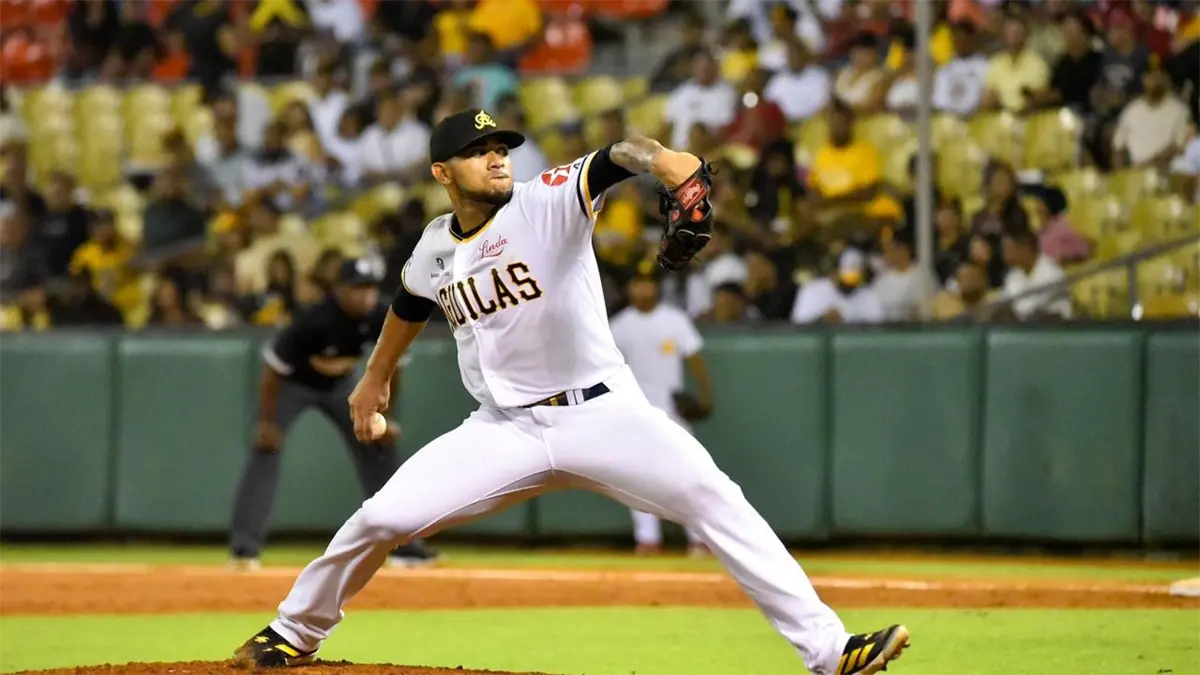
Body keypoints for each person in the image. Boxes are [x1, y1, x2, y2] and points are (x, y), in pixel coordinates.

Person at [232, 108, 909, 675]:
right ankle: (294, 631)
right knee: (381, 518)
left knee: (714, 496)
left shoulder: (548, 200)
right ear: (442, 172)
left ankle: (828, 650)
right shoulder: (435, 244)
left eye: (501, 147)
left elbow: (619, 154)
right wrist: (375, 376)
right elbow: (410, 302)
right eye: (477, 151)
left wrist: (668, 161)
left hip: (603, 413)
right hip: (501, 429)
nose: (497, 158)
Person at [228, 256, 439, 570]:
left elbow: (393, 367)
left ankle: (404, 547)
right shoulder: (315, 318)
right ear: (340, 289)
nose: (364, 296)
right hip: (293, 384)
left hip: (341, 386)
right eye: (356, 288)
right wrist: (268, 421)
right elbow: (273, 370)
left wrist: (383, 416)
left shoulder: (382, 314)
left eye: (369, 288)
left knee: (378, 445)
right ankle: (246, 549)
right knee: (266, 448)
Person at [609, 274, 712, 557]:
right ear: (628, 288)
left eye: (648, 282)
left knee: (690, 473)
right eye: (637, 282)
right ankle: (647, 539)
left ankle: (698, 539)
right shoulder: (618, 326)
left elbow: (696, 360)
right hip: (633, 412)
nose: (643, 288)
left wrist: (705, 398)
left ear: (656, 287)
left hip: (672, 411)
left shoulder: (674, 319)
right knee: (635, 479)